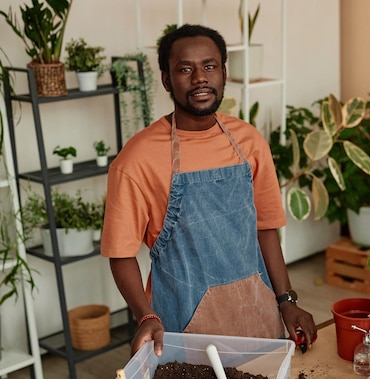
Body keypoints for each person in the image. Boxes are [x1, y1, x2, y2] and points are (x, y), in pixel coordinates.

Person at [100, 24, 317, 357]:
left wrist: (286, 301)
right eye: (185, 69)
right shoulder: (137, 159)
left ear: (224, 73)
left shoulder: (249, 142)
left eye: (209, 66)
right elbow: (120, 253)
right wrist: (145, 316)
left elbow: (265, 229)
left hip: (256, 315)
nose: (199, 77)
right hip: (182, 326)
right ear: (166, 79)